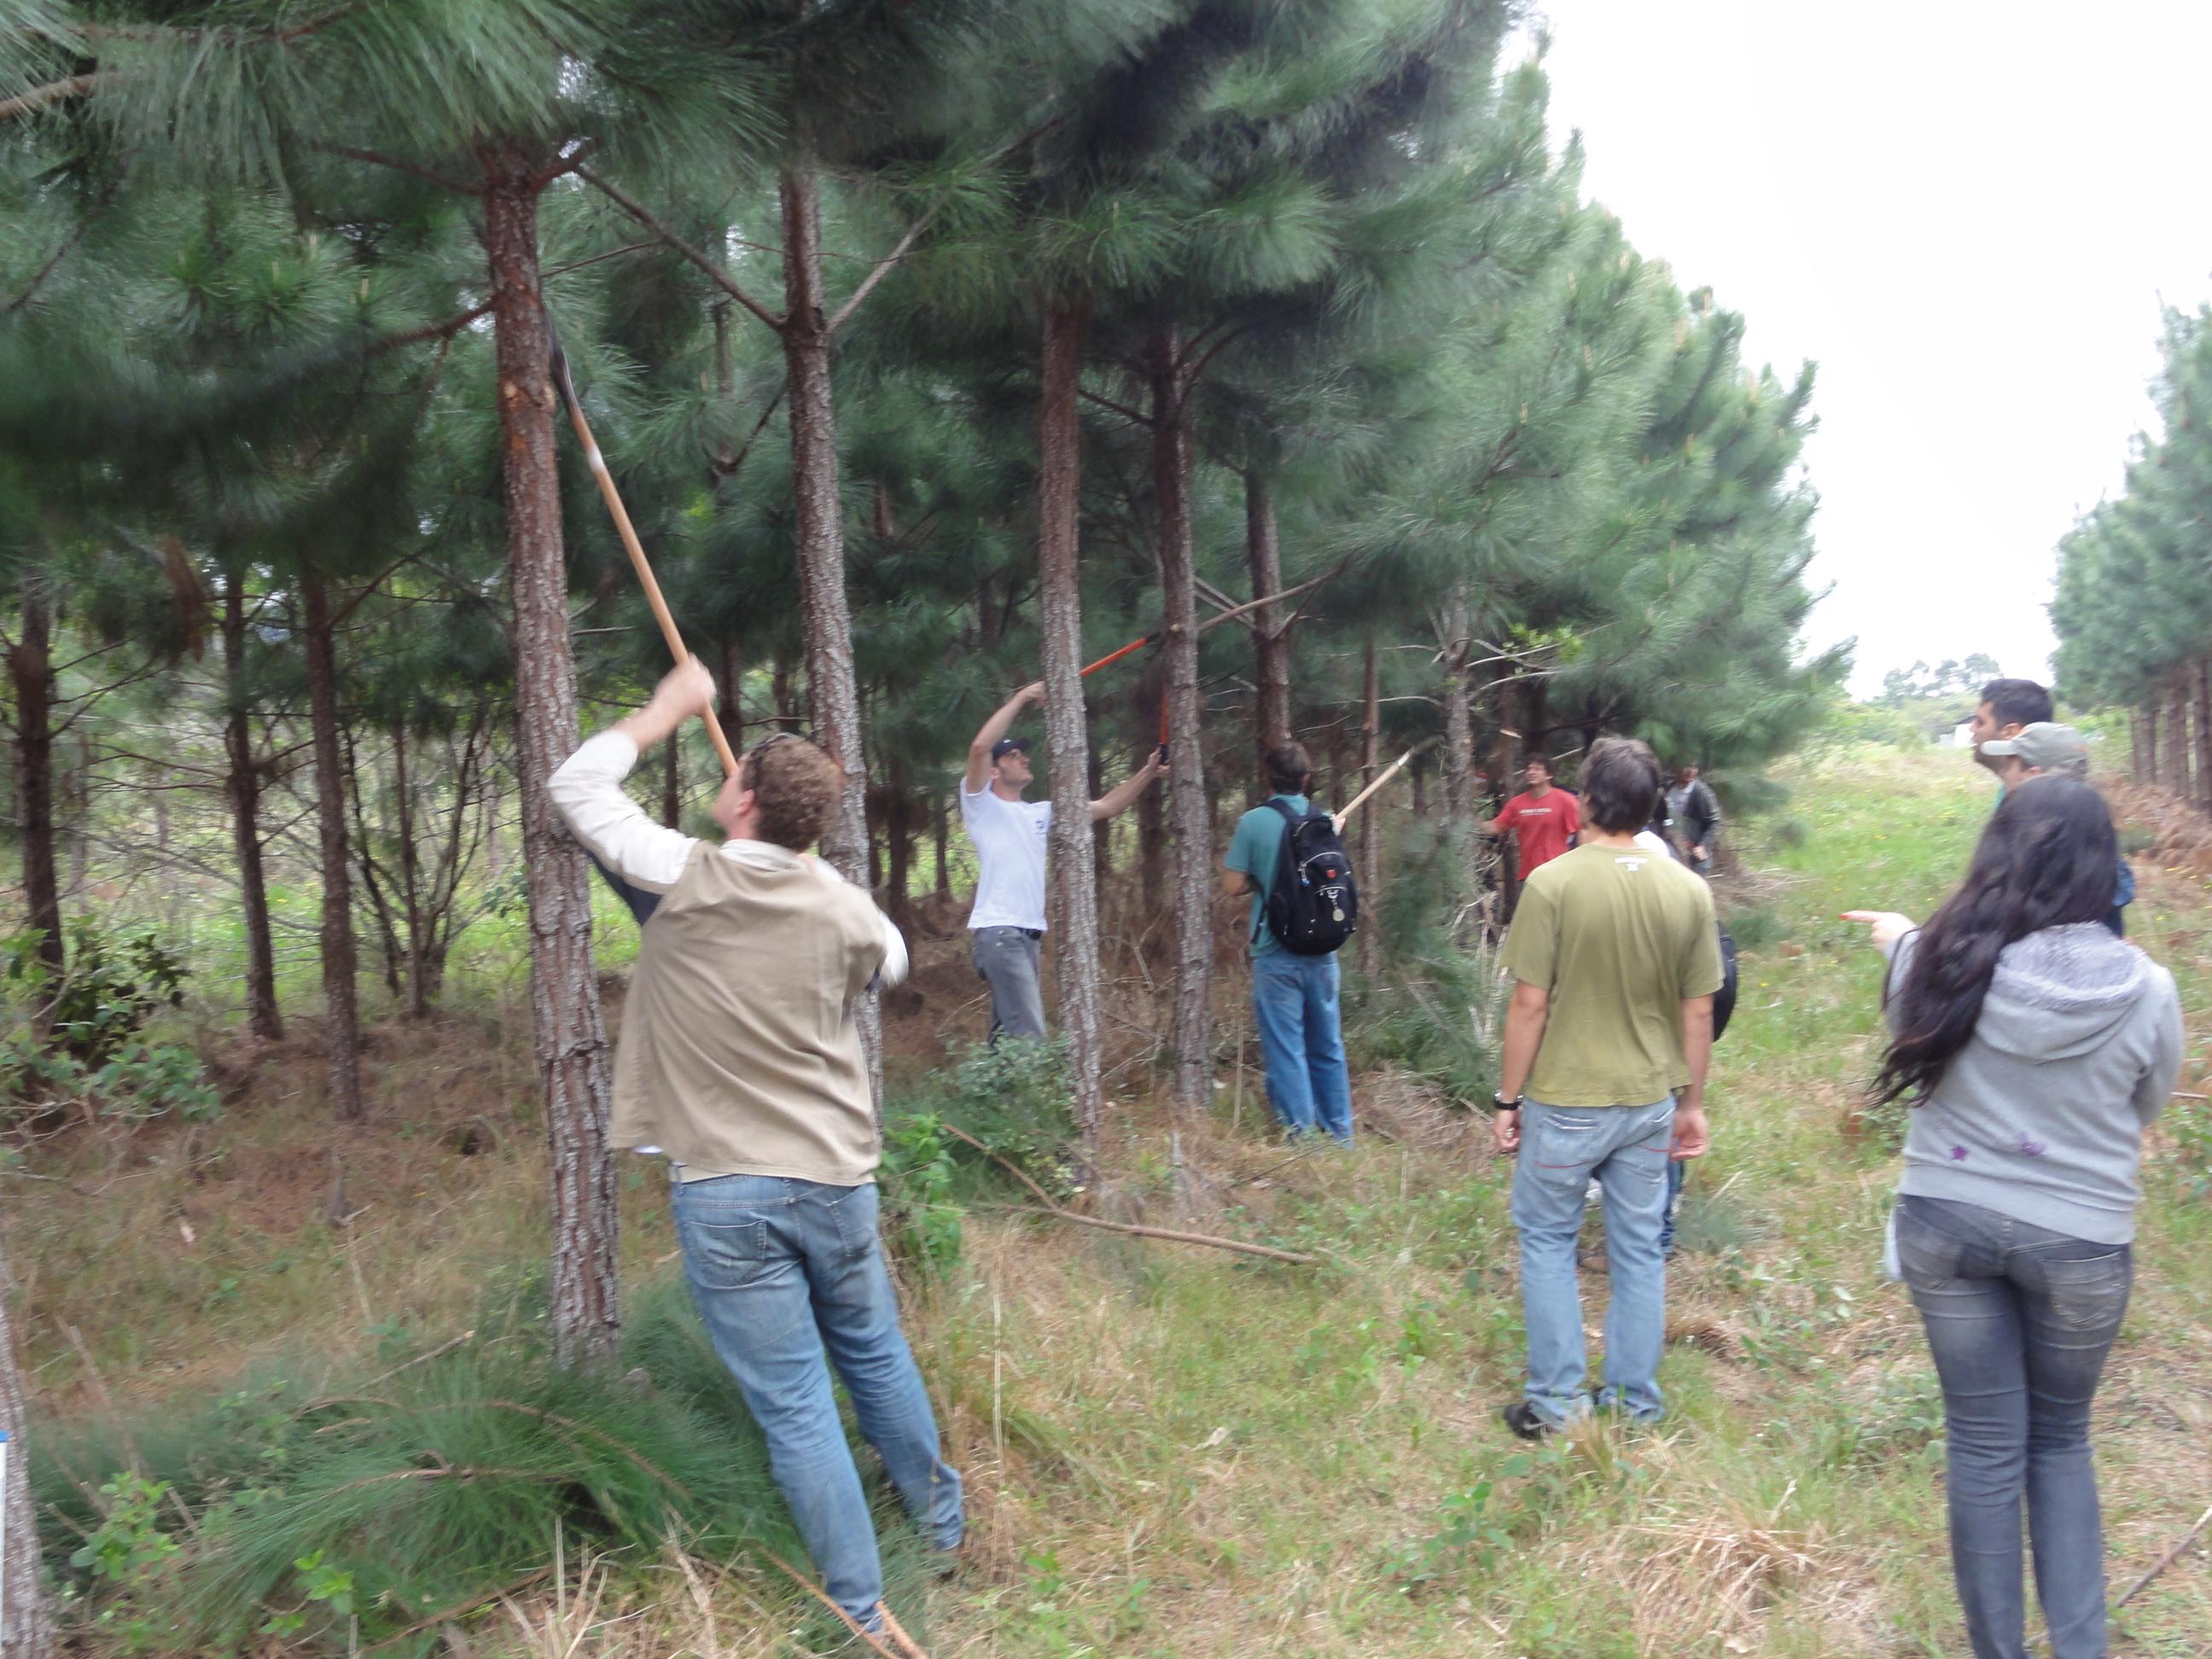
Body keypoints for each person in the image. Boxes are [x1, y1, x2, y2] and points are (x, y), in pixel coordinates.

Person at [550, 660, 952, 1658]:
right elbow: (894, 957)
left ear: (743, 801)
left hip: (728, 1188)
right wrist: (813, 870)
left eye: (729, 782)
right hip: (835, 1178)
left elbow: (576, 791)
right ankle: (940, 1533)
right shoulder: (849, 911)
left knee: (797, 1404)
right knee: (872, 1350)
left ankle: (863, 1609)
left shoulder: (685, 874)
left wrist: (667, 711)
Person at [1844, 777, 2181, 1659]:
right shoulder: (2147, 989)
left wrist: (1900, 940)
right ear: (2103, 867)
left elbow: (1909, 1023)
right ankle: (2081, 1648)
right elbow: (2147, 1104)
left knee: (1985, 1447)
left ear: (1997, 852)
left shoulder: (1940, 959)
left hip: (1944, 1224)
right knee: (2061, 1442)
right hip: (2082, 1242)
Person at [1492, 736, 1721, 1436]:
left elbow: (1530, 1004)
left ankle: (1559, 1404)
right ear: (1654, 806)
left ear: (1586, 801)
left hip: (1566, 1102)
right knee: (1638, 1247)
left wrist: (1507, 1100)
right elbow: (1698, 1009)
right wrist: (1692, 1104)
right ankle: (1633, 1403)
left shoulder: (1553, 884)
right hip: (1650, 1102)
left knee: (1549, 1238)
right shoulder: (1687, 888)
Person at [960, 682, 1162, 1044]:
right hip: (1000, 933)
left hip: (1028, 937)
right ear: (994, 772)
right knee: (1030, 1037)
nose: (1024, 759)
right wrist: (1021, 697)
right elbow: (979, 747)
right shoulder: (981, 806)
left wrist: (1147, 772)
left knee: (1005, 1040)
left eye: (1023, 755)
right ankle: (1040, 1101)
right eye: (1013, 756)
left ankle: (995, 1099)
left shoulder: (1041, 812)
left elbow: (1107, 807)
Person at [1221, 742, 1354, 1144]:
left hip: (1275, 950)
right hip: (1324, 951)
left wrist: (1263, 876)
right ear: (1306, 778)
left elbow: (1232, 885)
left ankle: (1301, 1140)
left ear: (1268, 777)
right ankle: (1340, 1137)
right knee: (1327, 1044)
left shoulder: (1253, 822)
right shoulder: (1324, 823)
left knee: (1287, 1047)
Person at [1970, 679, 2134, 935]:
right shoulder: (2083, 821)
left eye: (1980, 721)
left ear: (2033, 774)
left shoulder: (2053, 837)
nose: (1972, 729)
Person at [1489, 755, 1581, 881]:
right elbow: (1496, 826)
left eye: (1537, 769)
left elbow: (1583, 830)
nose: (1531, 772)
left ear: (1549, 775)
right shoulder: (1516, 803)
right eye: (1529, 769)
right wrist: (1470, 823)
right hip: (1529, 875)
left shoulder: (1566, 800)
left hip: (1558, 874)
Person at [1665, 763, 1721, 876]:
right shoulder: (1665, 790)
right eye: (1686, 766)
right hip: (1669, 851)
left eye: (1694, 767)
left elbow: (1714, 822)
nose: (1690, 770)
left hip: (1694, 855)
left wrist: (1703, 846)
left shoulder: (1702, 793)